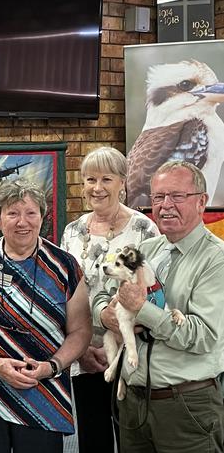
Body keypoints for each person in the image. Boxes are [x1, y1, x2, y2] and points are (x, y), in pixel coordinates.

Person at [0, 178, 92, 453]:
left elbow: (81, 330)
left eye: (30, 213)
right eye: (12, 213)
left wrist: (53, 366)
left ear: (42, 218)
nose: (22, 221)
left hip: (43, 390)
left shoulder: (65, 265)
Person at [94, 161, 224, 453]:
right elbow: (102, 295)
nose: (165, 206)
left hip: (186, 407)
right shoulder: (147, 249)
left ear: (202, 201)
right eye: (157, 197)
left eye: (177, 196)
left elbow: (205, 337)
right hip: (133, 402)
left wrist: (143, 310)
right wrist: (105, 316)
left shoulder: (217, 260)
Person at [60, 147, 159, 453]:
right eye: (90, 179)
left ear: (122, 182)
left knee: (134, 438)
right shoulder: (72, 232)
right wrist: (80, 350)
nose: (97, 187)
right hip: (87, 354)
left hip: (133, 352)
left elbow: (156, 289)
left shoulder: (144, 229)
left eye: (106, 179)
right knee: (93, 440)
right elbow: (65, 294)